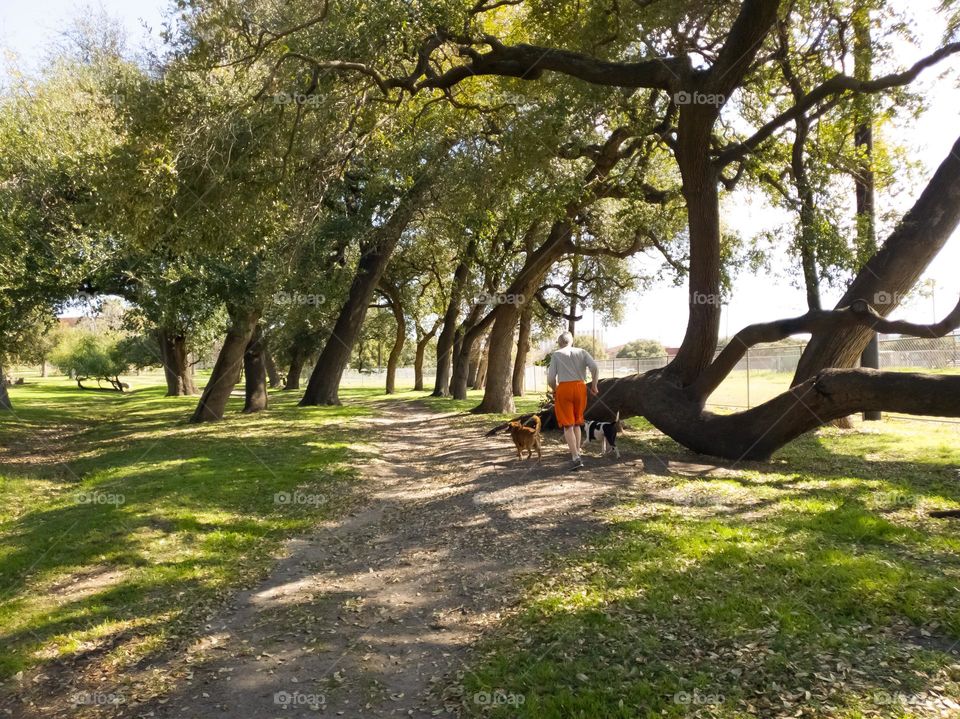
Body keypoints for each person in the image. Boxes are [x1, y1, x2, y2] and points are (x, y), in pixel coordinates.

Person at [547, 332, 599, 470]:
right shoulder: (582, 351)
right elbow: (594, 367)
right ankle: (578, 452)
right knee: (577, 422)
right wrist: (594, 385)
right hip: (581, 387)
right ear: (571, 341)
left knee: (567, 425)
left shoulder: (557, 354)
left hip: (564, 388)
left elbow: (551, 378)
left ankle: (575, 457)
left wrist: (555, 389)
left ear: (559, 342)